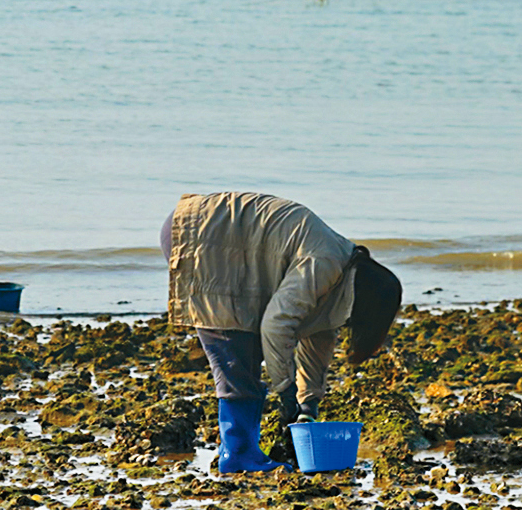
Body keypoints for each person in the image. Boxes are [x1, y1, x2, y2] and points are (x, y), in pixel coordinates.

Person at [163, 191, 403, 474]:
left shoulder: (342, 273)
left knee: (245, 353)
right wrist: (287, 393)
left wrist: (307, 407)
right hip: (203, 234)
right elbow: (276, 326)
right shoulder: (325, 261)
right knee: (236, 355)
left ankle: (242, 451)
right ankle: (238, 455)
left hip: (224, 237)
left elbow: (319, 340)